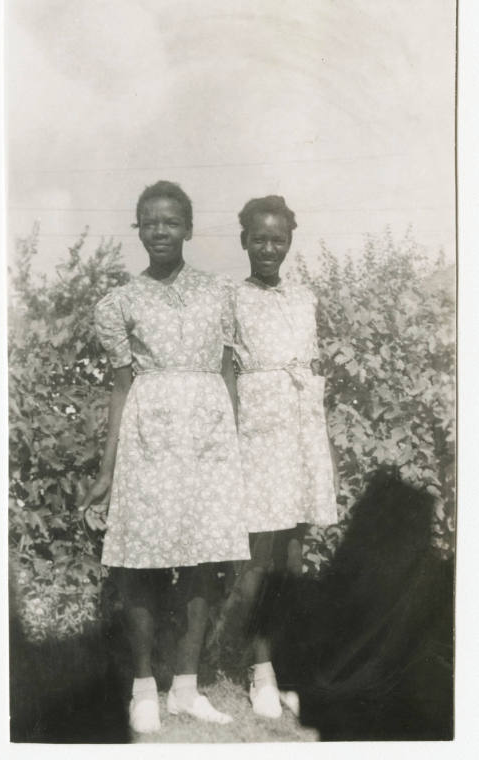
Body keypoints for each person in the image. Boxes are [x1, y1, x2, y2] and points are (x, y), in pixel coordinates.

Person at [79, 180, 250, 735]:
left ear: (189, 229)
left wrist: (236, 446)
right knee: (139, 561)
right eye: (149, 221)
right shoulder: (122, 301)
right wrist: (107, 470)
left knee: (204, 559)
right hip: (148, 434)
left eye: (170, 222)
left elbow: (228, 373)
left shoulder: (219, 294)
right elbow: (121, 388)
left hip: (208, 437)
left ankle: (185, 687)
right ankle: (144, 688)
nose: (159, 231)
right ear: (139, 228)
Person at [232, 195, 339, 719]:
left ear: (289, 242)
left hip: (299, 426)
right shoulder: (232, 297)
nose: (268, 247)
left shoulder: (305, 298)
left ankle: (288, 662)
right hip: (256, 427)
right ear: (244, 240)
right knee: (258, 550)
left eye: (278, 239)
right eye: (259, 238)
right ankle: (260, 670)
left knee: (294, 551)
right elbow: (227, 371)